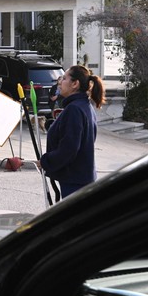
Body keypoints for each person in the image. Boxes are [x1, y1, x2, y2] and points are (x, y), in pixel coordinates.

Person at [39, 65, 105, 199]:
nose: (60, 82)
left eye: (64, 78)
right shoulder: (83, 106)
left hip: (75, 183)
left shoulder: (74, 109)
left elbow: (69, 149)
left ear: (75, 84)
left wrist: (45, 162)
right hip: (79, 179)